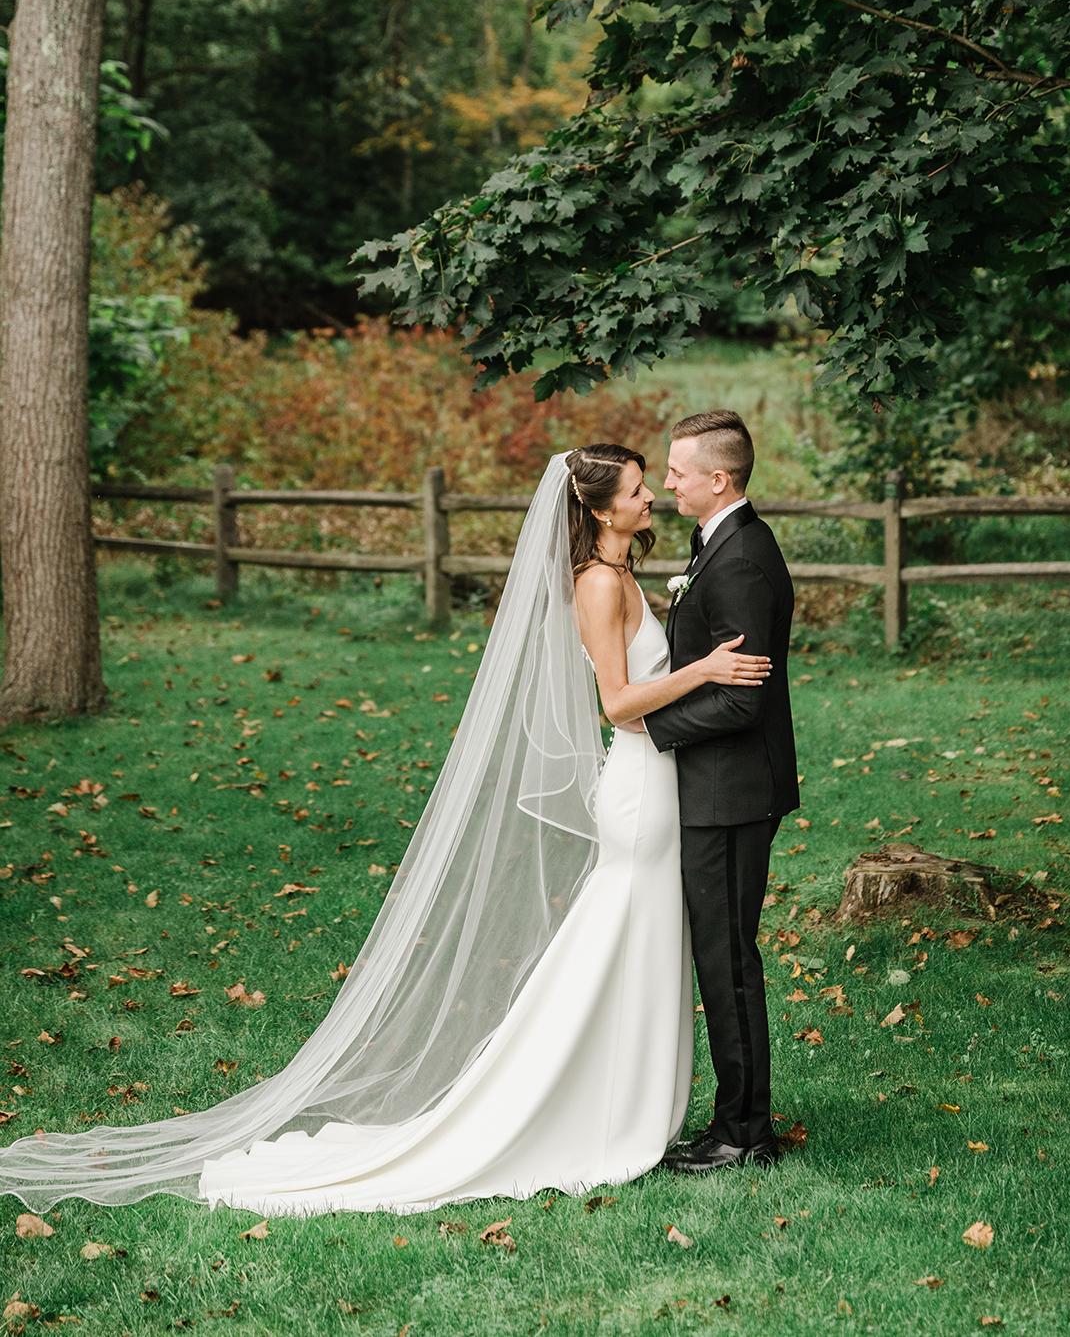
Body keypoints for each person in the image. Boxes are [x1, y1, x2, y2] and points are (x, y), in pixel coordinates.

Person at [0, 445, 771, 1215]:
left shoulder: (624, 574)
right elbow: (616, 703)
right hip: (640, 790)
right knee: (620, 944)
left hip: (660, 784)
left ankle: (625, 1100)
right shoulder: (599, 584)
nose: (650, 500)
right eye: (638, 491)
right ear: (602, 511)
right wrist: (703, 670)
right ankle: (584, 1108)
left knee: (632, 945)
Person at [643, 411, 798, 1174]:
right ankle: (738, 1119)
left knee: (728, 960)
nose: (666, 481)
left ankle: (743, 1134)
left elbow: (742, 699)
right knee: (721, 957)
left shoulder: (740, 559)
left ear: (719, 479)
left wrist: (652, 725)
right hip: (717, 787)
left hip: (730, 791)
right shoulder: (721, 544)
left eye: (676, 471)